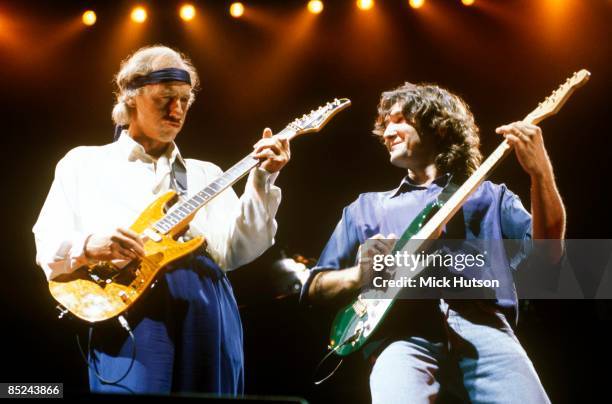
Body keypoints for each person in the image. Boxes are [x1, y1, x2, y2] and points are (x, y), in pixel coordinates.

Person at [32, 45, 290, 395]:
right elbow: (48, 241)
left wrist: (263, 179)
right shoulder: (83, 164)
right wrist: (91, 246)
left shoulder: (205, 173)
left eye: (185, 100)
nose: (177, 110)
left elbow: (239, 250)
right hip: (130, 310)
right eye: (166, 98)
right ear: (131, 97)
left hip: (208, 308)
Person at [303, 83, 565, 403]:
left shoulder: (490, 196)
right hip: (399, 338)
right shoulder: (366, 208)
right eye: (384, 126)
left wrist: (541, 174)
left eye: (399, 120)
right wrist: (357, 275)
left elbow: (549, 257)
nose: (388, 133)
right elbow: (315, 286)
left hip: (486, 329)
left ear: (439, 126)